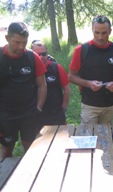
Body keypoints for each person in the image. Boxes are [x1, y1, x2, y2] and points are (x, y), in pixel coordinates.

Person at [0, 22, 47, 158]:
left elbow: (42, 85)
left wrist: (38, 108)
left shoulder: (32, 57)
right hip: (5, 115)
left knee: (30, 148)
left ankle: (31, 176)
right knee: (7, 150)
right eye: (17, 42)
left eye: (24, 42)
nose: (21, 47)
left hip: (29, 112)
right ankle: (6, 178)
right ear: (7, 38)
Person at [68, 15, 113, 124]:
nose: (100, 37)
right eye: (96, 32)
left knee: (105, 138)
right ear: (92, 31)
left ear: (110, 31)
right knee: (89, 138)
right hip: (90, 104)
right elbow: (71, 76)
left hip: (109, 104)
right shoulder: (82, 50)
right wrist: (88, 83)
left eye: (104, 33)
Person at [31, 40, 70, 127]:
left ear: (47, 53)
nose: (41, 57)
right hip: (36, 114)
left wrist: (63, 107)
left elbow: (67, 89)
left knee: (60, 139)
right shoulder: (29, 70)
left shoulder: (56, 67)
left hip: (55, 114)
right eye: (37, 54)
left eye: (43, 54)